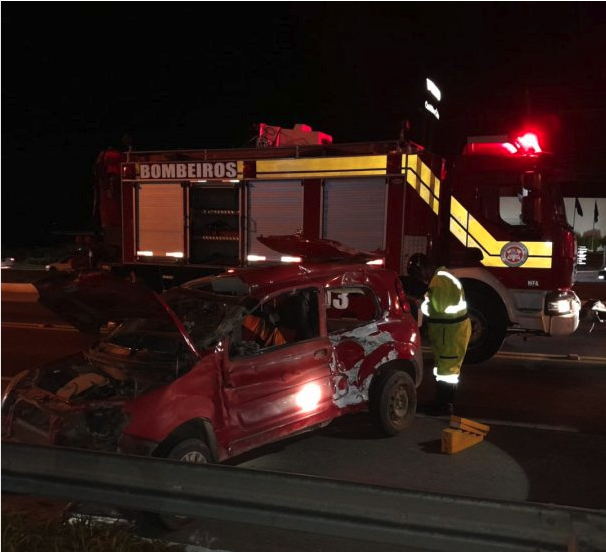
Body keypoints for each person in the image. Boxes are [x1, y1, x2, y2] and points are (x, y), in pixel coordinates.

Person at [408, 253, 471, 416]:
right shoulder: (443, 277)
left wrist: (420, 304)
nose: (420, 279)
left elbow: (437, 308)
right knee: (447, 369)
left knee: (446, 371)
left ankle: (443, 405)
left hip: (450, 333)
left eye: (418, 275)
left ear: (424, 269)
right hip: (451, 332)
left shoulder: (440, 280)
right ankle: (444, 402)